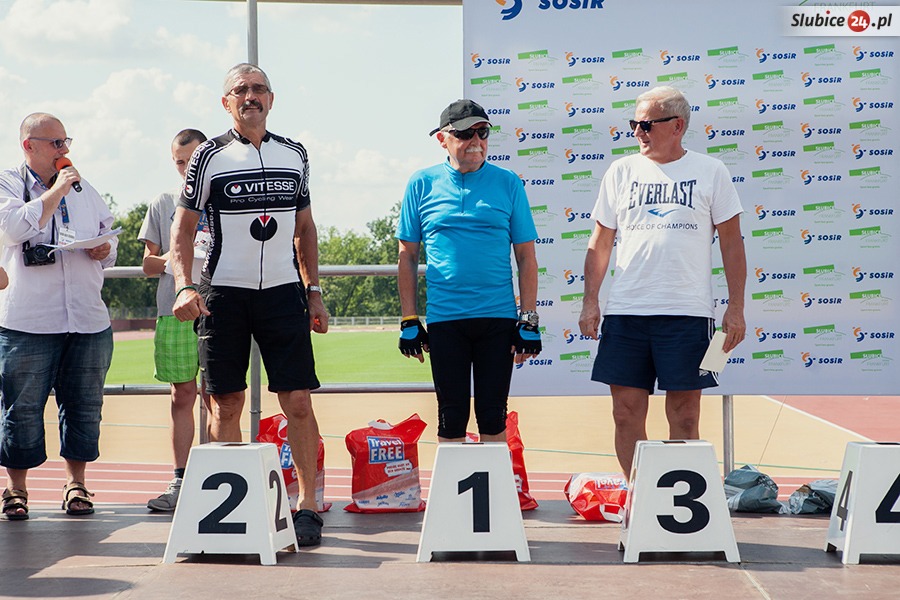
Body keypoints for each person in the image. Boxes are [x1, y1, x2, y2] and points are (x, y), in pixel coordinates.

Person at [170, 64, 329, 546]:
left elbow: (305, 228)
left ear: (272, 99)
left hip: (283, 291)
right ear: (226, 103)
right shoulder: (207, 156)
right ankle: (233, 513)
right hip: (224, 292)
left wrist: (314, 290)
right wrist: (184, 286)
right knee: (227, 402)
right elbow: (182, 228)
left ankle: (307, 505)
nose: (250, 96)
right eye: (240, 90)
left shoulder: (294, 153)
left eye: (259, 89)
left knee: (297, 400)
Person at [578, 86, 747, 477]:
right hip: (626, 313)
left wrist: (735, 308)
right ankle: (640, 497)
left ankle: (676, 500)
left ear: (677, 126)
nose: (637, 132)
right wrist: (590, 301)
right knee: (625, 413)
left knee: (685, 415)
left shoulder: (711, 171)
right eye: (634, 124)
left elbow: (732, 244)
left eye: (646, 124)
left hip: (688, 313)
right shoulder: (621, 171)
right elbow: (600, 242)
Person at [396, 99, 541, 443]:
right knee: (450, 417)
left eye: (483, 132)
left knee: (493, 416)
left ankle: (494, 482)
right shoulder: (421, 183)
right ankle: (452, 482)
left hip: (497, 317)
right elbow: (407, 256)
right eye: (464, 133)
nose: (476, 140)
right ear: (442, 138)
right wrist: (409, 319)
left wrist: (529, 319)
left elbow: (526, 257)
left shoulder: (508, 182)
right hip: (446, 319)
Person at [0, 113, 117, 519]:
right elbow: (13, 229)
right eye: (56, 143)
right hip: (29, 321)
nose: (64, 149)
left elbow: (109, 233)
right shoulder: (8, 183)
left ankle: (76, 483)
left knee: (84, 406)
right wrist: (56, 191)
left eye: (66, 141)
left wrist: (106, 249)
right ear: (29, 145)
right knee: (21, 408)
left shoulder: (84, 187)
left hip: (86, 318)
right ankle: (16, 489)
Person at [138, 128, 213, 512]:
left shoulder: (225, 197)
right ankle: (181, 479)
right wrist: (173, 257)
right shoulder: (164, 202)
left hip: (220, 305)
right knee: (182, 395)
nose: (186, 168)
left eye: (193, 160)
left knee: (221, 396)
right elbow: (148, 265)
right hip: (175, 307)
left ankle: (218, 477)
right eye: (180, 162)